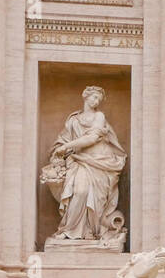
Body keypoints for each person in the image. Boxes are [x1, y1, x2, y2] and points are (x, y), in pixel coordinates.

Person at [47, 86, 127, 240]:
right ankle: (68, 230)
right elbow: (63, 139)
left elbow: (91, 138)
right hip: (78, 161)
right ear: (85, 96)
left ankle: (91, 231)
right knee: (80, 192)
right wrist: (59, 149)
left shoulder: (99, 116)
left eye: (99, 99)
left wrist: (66, 147)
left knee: (93, 197)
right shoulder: (73, 120)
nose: (96, 101)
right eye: (94, 97)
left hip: (99, 162)